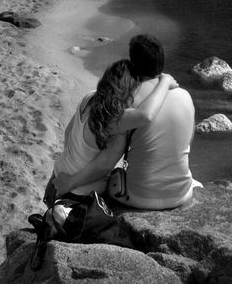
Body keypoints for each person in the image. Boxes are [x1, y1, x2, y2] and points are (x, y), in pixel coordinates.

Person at [49, 60, 178, 203]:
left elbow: (68, 133)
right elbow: (145, 115)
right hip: (78, 195)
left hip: (56, 178)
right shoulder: (115, 121)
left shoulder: (89, 98)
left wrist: (75, 163)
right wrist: (164, 83)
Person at [109, 35, 199, 209]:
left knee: (112, 178)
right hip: (181, 194)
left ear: (132, 64)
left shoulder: (129, 99)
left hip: (139, 197)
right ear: (161, 63)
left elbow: (114, 151)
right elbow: (186, 143)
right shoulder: (185, 96)